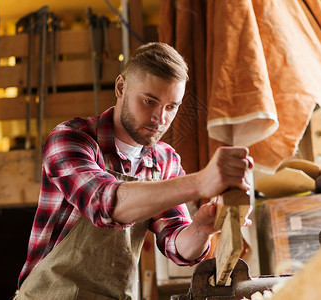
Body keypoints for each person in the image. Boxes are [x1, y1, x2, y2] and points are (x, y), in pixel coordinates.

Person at [15, 42, 253, 300]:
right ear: (121, 87)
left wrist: (202, 228)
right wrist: (200, 182)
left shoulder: (164, 160)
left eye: (171, 107)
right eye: (150, 101)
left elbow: (177, 246)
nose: (160, 118)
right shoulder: (71, 138)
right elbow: (105, 202)